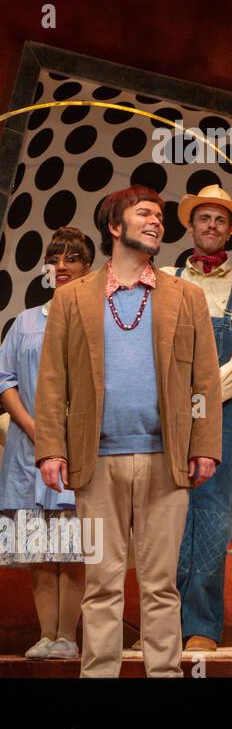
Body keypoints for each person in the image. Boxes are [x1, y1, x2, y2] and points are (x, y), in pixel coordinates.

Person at [35, 186, 222, 677]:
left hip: (166, 459)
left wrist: (203, 444)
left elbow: (204, 380)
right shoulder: (72, 298)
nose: (157, 221)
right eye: (144, 214)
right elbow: (53, 379)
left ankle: (163, 674)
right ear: (115, 227)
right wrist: (51, 448)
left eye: (160, 216)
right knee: (102, 583)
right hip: (95, 464)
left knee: (161, 585)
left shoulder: (187, 297)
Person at [161, 183, 232, 651]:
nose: (211, 226)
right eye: (204, 218)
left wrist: (199, 397)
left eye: (220, 220)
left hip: (230, 412)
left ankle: (202, 627)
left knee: (214, 516)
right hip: (167, 409)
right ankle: (163, 624)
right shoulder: (162, 277)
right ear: (190, 225)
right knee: (164, 515)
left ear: (231, 230)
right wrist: (177, 401)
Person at [0, 228, 95, 660]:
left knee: (72, 546)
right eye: (55, 259)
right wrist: (34, 428)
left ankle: (68, 637)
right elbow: (5, 382)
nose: (62, 267)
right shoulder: (25, 322)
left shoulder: (96, 318)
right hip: (28, 450)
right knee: (39, 548)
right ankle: (45, 635)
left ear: (88, 268)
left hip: (78, 449)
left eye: (72, 258)